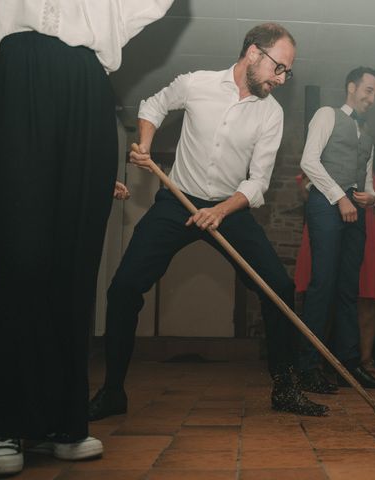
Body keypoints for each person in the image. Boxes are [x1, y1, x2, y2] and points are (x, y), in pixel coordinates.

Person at [88, 23, 329, 423]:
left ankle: (285, 387)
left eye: (287, 72)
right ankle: (113, 391)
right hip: (176, 202)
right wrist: (144, 145)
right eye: (280, 68)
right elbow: (152, 105)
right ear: (253, 53)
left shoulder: (271, 114)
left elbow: (257, 181)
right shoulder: (196, 83)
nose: (282, 79)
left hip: (230, 209)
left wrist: (220, 211)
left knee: (279, 287)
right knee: (124, 288)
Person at [0, 1, 174, 477]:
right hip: (19, 70)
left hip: (88, 81)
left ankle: (64, 421)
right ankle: (4, 422)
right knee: (21, 256)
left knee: (76, 264)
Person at [297, 67, 375, 393]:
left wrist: (371, 196)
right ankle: (308, 368)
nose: (371, 98)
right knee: (322, 284)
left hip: (355, 207)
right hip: (326, 203)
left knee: (349, 289)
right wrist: (340, 198)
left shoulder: (367, 134)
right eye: (368, 90)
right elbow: (309, 161)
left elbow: (366, 180)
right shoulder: (327, 114)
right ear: (351, 87)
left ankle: (349, 367)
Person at [294, 174, 375, 382]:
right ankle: (315, 361)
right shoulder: (319, 161)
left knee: (365, 297)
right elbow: (304, 194)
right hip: (325, 227)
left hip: (366, 230)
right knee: (323, 295)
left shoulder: (366, 160)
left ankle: (364, 361)